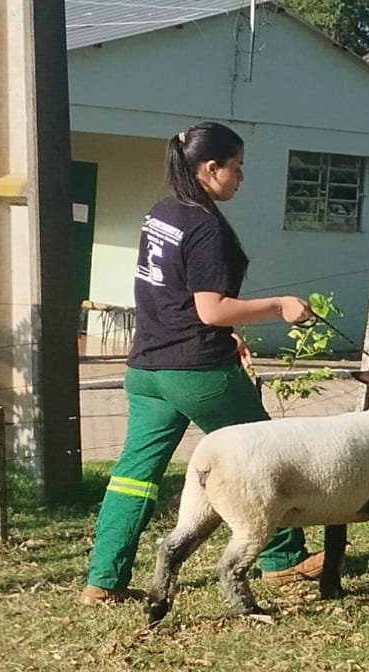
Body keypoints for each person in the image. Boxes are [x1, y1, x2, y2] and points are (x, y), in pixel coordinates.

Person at [80, 122, 321, 606]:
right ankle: (283, 559)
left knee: (134, 474)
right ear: (210, 168)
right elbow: (210, 309)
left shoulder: (162, 213)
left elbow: (173, 295)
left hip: (147, 369)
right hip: (197, 371)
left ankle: (103, 579)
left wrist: (228, 332)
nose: (241, 178)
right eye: (237, 167)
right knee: (263, 452)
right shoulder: (205, 225)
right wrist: (279, 306)